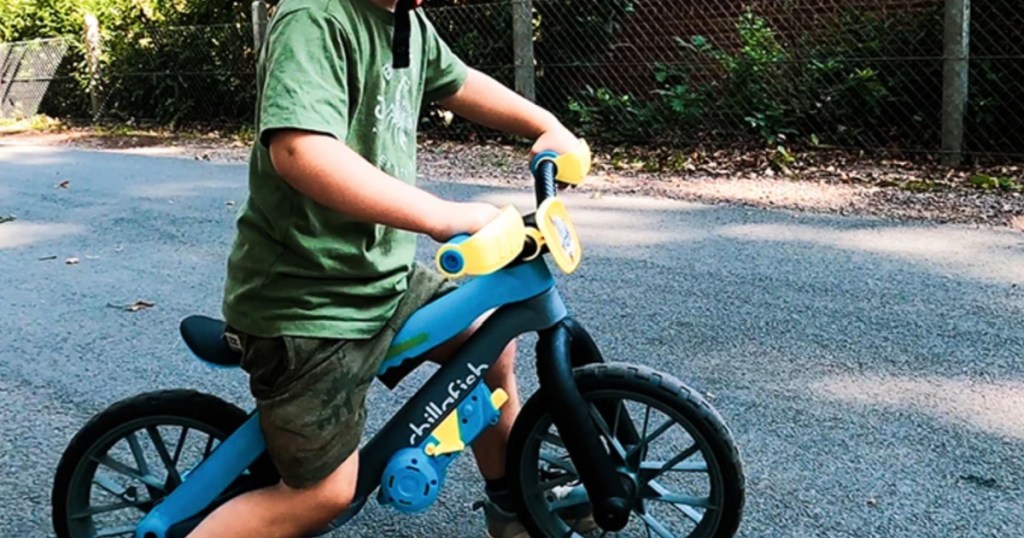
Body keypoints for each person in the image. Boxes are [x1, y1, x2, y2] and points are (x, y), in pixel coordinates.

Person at [187, 0, 585, 536]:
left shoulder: (403, 18)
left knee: (490, 344)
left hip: (382, 278)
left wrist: (545, 124)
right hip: (309, 305)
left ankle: (511, 504)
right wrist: (439, 215)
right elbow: (300, 151)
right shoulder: (316, 17)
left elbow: (459, 82)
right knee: (324, 495)